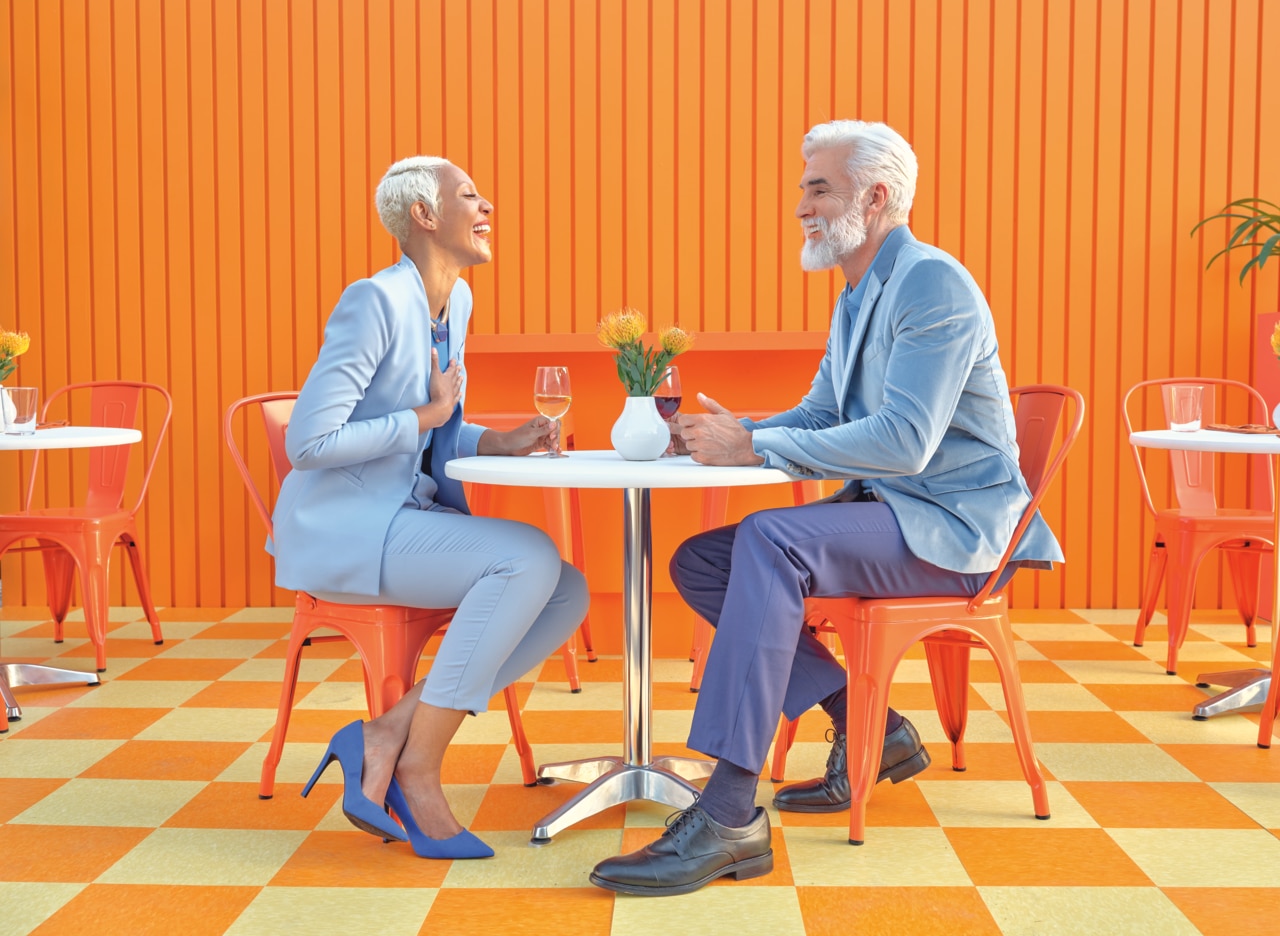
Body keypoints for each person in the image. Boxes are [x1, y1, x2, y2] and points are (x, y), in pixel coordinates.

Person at [589, 120, 1064, 896]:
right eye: (804, 188)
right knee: (701, 560)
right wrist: (737, 432)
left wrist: (756, 451)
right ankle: (872, 726)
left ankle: (729, 813)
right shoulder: (857, 292)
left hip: (949, 522)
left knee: (770, 543)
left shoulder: (931, 283)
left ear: (874, 198)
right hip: (894, 511)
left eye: (818, 188)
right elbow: (818, 414)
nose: (801, 206)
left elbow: (907, 441)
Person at [273, 156, 589, 860]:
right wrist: (426, 414)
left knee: (566, 590)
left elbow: (436, 427)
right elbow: (310, 441)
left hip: (404, 517)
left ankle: (387, 731)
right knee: (526, 557)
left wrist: (497, 440)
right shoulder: (374, 302)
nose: (488, 206)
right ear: (424, 216)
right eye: (469, 195)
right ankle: (417, 768)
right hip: (348, 528)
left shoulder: (457, 302)